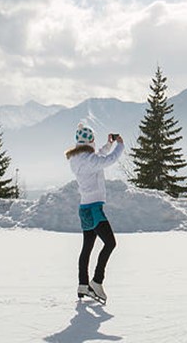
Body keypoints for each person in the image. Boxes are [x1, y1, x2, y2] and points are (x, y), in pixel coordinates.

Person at [66, 121, 125, 303]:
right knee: (110, 243)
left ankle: (83, 284)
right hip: (94, 209)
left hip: (84, 208)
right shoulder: (90, 161)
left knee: (87, 248)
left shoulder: (79, 159)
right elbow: (106, 161)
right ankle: (97, 281)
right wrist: (120, 145)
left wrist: (108, 145)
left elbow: (98, 157)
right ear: (90, 141)